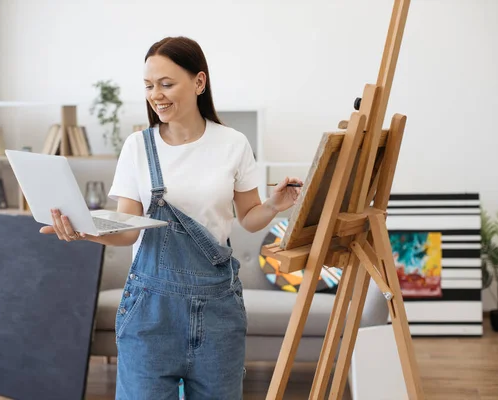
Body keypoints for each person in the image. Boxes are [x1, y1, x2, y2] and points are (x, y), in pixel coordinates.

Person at [40, 36, 303, 400]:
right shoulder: (138, 147)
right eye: (149, 86)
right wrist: (85, 232)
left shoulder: (233, 144)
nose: (156, 95)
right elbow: (127, 231)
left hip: (218, 311)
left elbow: (249, 218)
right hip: (149, 312)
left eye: (166, 84)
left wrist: (275, 204)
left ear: (199, 82)